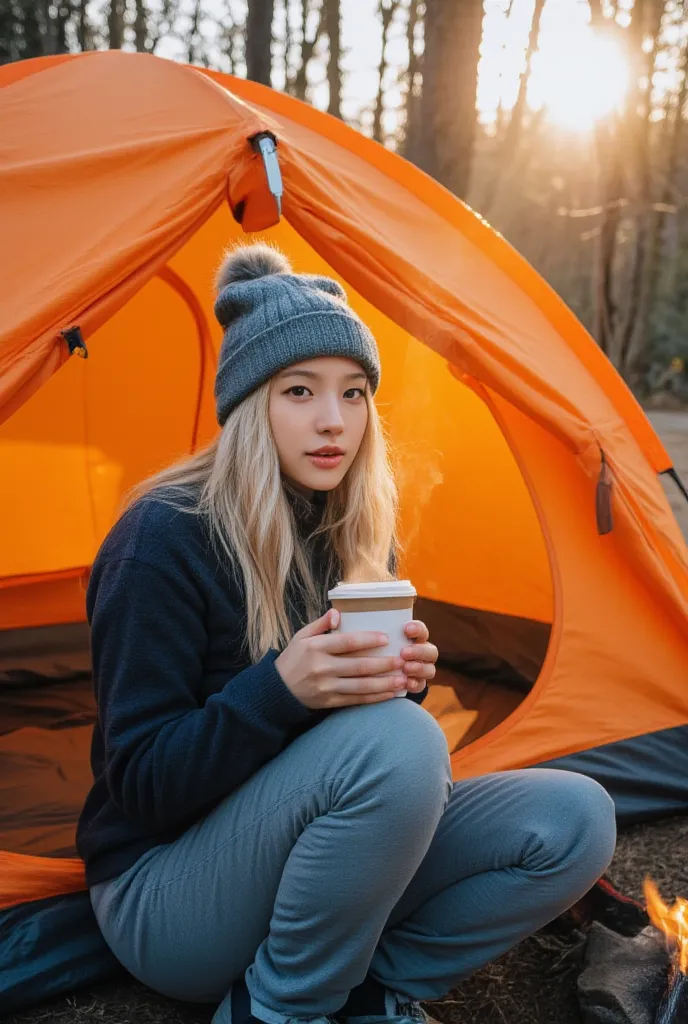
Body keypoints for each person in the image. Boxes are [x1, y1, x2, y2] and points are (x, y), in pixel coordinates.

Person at [78, 244, 617, 1024]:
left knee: (575, 819)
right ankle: (283, 1010)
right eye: (301, 391)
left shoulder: (352, 528)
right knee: (399, 745)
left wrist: (396, 677)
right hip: (164, 894)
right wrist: (280, 689)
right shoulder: (162, 537)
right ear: (249, 402)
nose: (335, 420)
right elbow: (144, 788)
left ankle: (370, 989)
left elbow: (352, 760)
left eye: (355, 393)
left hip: (294, 859)